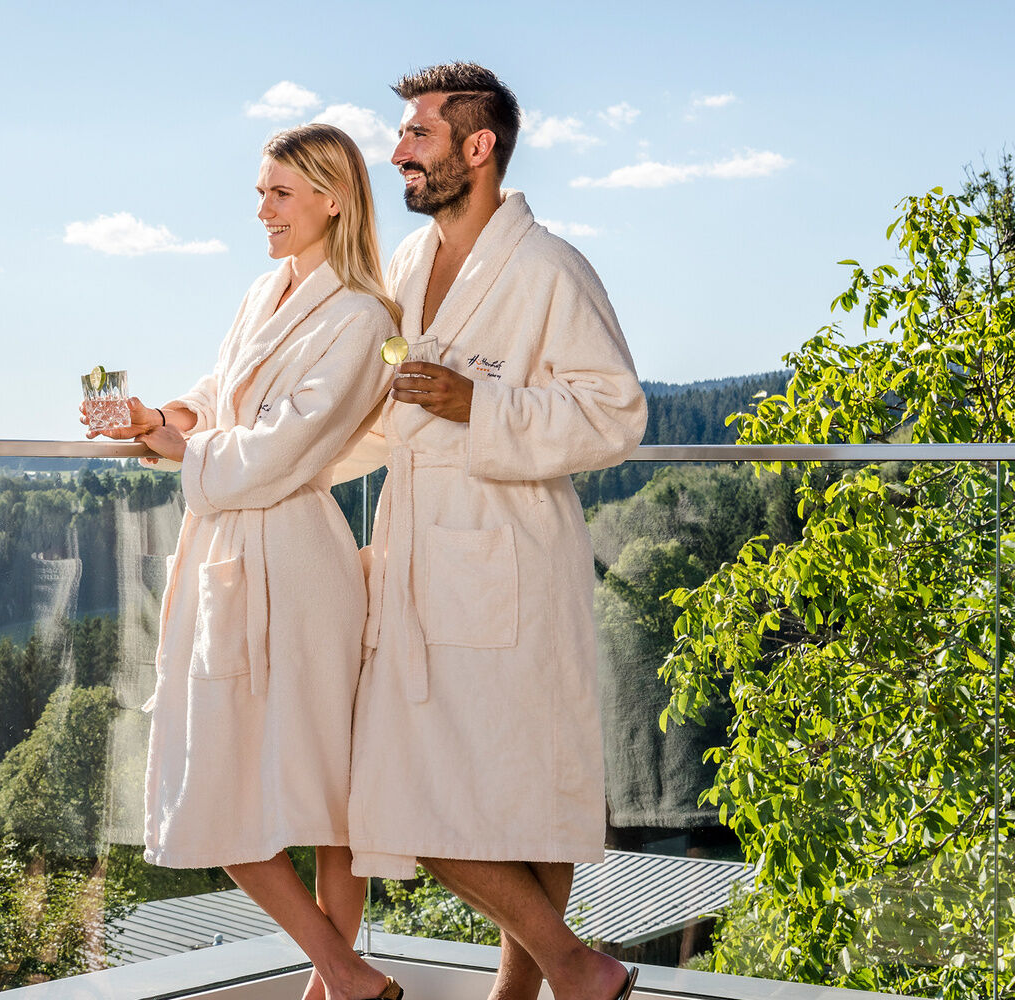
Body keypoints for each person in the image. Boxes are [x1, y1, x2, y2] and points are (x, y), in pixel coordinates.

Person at [83, 122, 403, 1000]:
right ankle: (345, 976)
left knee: (328, 805)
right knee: (212, 783)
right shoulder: (264, 292)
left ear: (332, 199)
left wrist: (179, 444)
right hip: (229, 553)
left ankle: (336, 985)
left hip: (296, 564)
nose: (261, 209)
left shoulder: (362, 316)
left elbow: (280, 449)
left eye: (279, 194)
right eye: (261, 192)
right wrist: (159, 417)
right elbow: (221, 400)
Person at [347, 63, 647, 1000]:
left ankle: (553, 977)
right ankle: (570, 970)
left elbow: (616, 414)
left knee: (517, 801)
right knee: (421, 794)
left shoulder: (550, 267)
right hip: (419, 548)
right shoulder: (406, 267)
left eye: (417, 137)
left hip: (510, 550)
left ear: (478, 149)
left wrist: (487, 405)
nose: (396, 152)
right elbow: (368, 400)